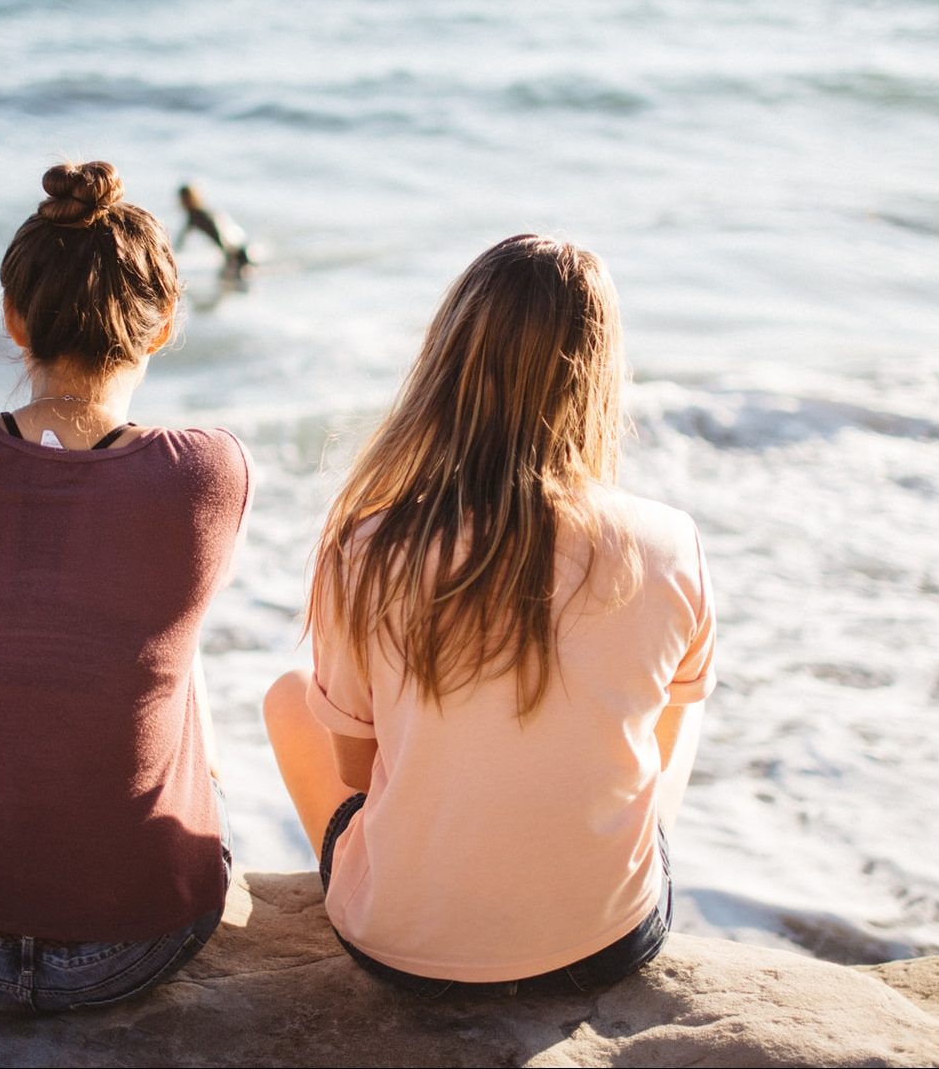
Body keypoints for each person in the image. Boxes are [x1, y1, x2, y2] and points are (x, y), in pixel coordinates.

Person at [263, 234, 716, 997]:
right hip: (607, 938)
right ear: (600, 374)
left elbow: (357, 771)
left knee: (288, 695)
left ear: (446, 366)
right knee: (682, 708)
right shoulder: (669, 543)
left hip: (402, 950)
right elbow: (657, 738)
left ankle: (428, 894)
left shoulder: (366, 547)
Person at [0, 161, 251, 1012]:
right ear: (160, 330)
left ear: (14, 318)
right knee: (173, 656)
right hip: (137, 942)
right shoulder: (208, 471)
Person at [177, 183, 254, 281]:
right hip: (236, 251)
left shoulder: (201, 215)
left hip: (239, 254)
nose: (180, 202)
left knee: (231, 284)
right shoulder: (195, 215)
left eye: (182, 198)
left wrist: (228, 260)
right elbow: (182, 238)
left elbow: (220, 237)